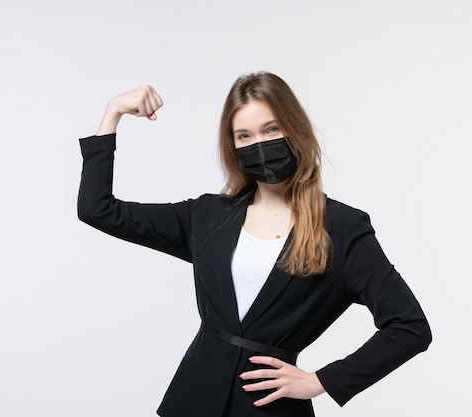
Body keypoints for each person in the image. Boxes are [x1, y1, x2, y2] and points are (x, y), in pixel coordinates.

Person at [77, 72, 431, 417]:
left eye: (271, 129)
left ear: (295, 131)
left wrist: (323, 380)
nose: (259, 145)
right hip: (193, 398)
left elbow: (410, 327)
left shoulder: (341, 228)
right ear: (232, 146)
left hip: (270, 407)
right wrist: (113, 112)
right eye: (244, 136)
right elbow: (98, 209)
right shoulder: (207, 216)